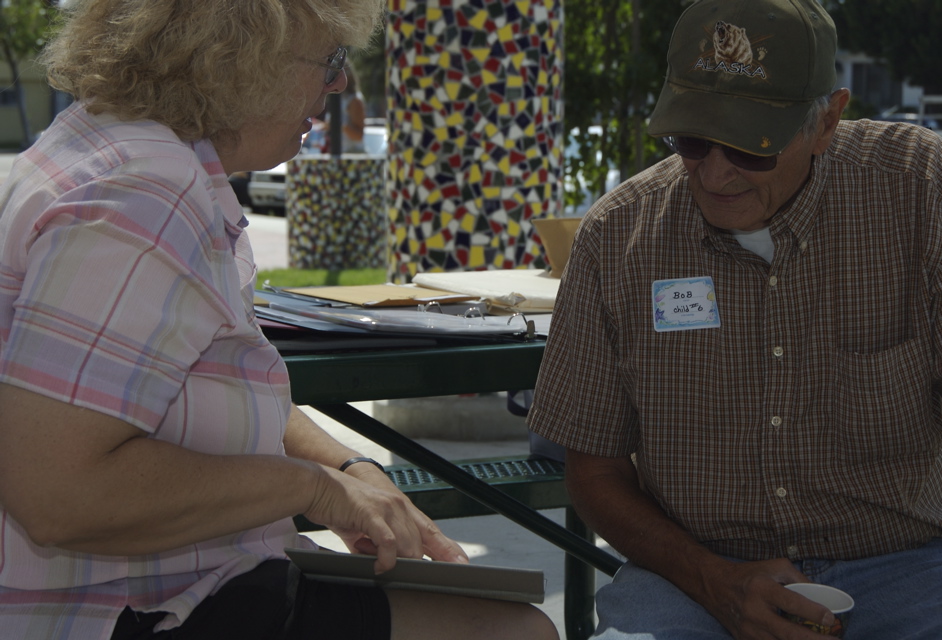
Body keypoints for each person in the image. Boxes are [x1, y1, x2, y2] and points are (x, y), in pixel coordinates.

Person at [0, 2, 559, 640]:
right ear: (242, 59)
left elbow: (210, 378)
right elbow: (56, 494)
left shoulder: (112, 144)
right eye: (329, 60)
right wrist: (312, 490)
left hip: (169, 581)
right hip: (127, 608)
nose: (340, 84)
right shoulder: (145, 190)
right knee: (515, 632)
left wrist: (348, 469)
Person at [527, 0, 942, 638]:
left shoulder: (919, 188)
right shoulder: (617, 236)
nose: (714, 171)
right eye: (692, 139)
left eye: (751, 148)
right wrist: (712, 579)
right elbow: (594, 469)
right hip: (697, 572)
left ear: (828, 122)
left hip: (907, 562)